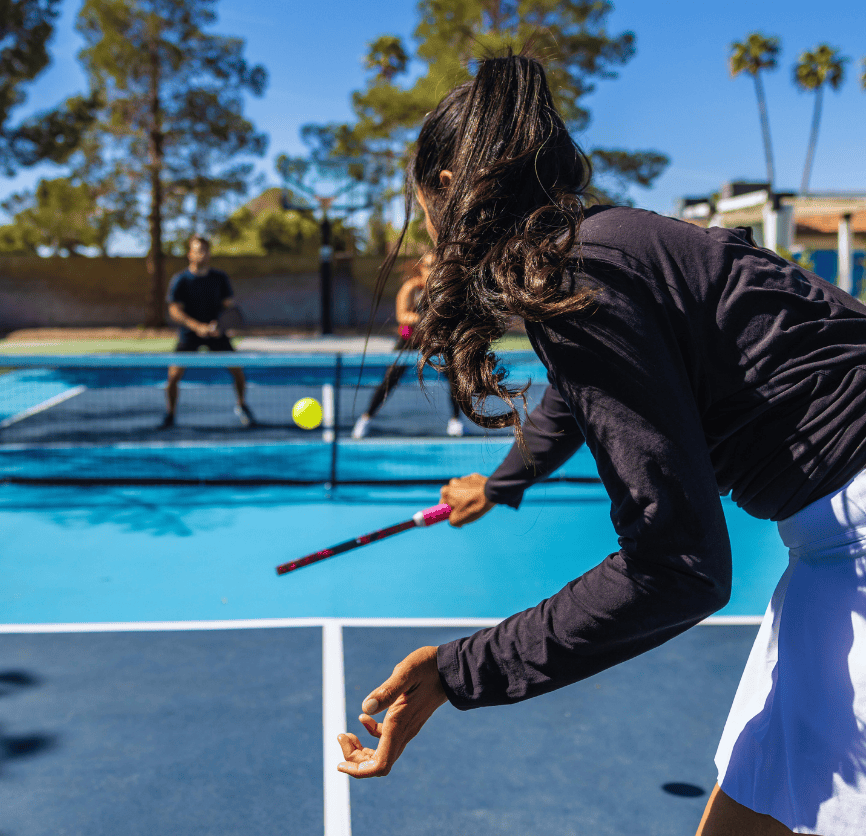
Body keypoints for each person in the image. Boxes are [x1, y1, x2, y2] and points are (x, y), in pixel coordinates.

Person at [334, 54, 866, 836]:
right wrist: (505, 481)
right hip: (836, 538)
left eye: (421, 201)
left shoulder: (582, 276)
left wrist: (457, 671)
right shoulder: (603, 249)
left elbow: (678, 566)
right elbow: (579, 396)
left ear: (447, 186)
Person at [352, 251, 464, 439]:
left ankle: (455, 421)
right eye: (429, 265)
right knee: (390, 379)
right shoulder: (411, 288)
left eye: (438, 265)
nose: (434, 269)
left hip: (434, 340)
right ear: (421, 268)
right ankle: (365, 419)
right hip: (408, 338)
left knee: (455, 379)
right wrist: (424, 319)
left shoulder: (444, 290)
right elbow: (401, 316)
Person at [161, 234, 255, 428]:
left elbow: (230, 307)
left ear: (209, 253)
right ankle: (170, 414)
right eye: (197, 250)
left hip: (217, 334)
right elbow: (174, 311)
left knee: (237, 371)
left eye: (205, 250)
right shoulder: (181, 280)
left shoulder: (219, 278)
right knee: (172, 377)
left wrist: (219, 327)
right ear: (190, 254)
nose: (202, 254)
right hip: (189, 335)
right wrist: (197, 327)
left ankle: (241, 405)